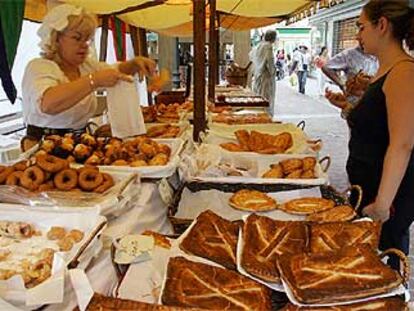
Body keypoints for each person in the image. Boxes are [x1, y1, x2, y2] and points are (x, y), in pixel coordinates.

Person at [326, 0, 414, 269]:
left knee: (383, 264)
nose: (358, 35)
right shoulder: (385, 70)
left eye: (361, 27)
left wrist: (382, 205)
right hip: (370, 189)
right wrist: (349, 107)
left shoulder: (404, 72)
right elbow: (379, 123)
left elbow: (403, 143)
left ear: (382, 25)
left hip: (386, 197)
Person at [22, 4, 156, 141]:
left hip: (80, 142)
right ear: (56, 38)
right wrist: (93, 81)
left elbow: (116, 72)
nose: (84, 44)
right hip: (43, 145)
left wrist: (135, 64)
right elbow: (48, 104)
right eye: (77, 38)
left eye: (87, 39)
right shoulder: (39, 67)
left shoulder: (86, 67)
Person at [250, 30, 277, 115]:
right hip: (266, 77)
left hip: (258, 76)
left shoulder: (258, 46)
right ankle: (267, 118)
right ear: (273, 38)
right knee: (267, 99)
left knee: (258, 98)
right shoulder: (268, 46)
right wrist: (273, 72)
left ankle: (259, 116)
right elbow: (270, 62)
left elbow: (251, 57)